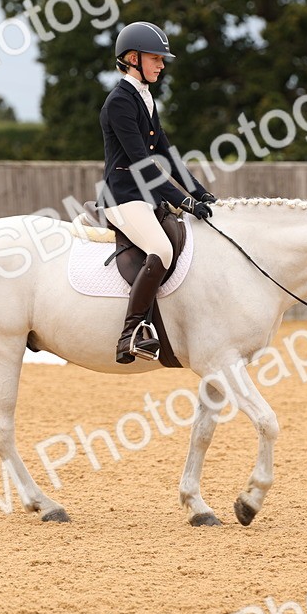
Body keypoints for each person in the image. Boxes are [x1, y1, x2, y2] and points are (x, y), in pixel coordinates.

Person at [99, 20, 216, 364]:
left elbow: (166, 153)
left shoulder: (145, 98)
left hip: (144, 196)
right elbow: (142, 163)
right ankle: (130, 333)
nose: (162, 65)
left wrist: (200, 192)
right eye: (156, 58)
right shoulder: (120, 101)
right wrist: (184, 201)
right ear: (133, 58)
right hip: (121, 197)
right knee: (161, 249)